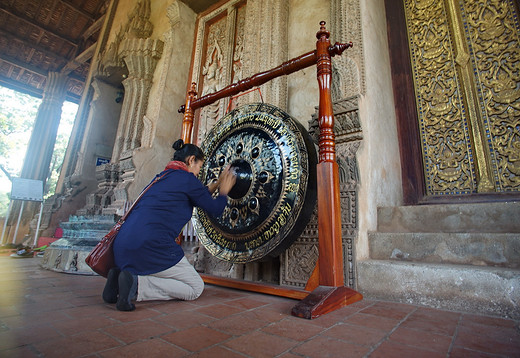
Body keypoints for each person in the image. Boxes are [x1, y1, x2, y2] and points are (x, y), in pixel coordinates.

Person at [102, 139, 236, 311]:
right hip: (150, 247)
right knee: (194, 287)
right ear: (191, 160)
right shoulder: (188, 179)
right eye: (198, 167)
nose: (197, 173)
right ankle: (136, 285)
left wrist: (217, 183)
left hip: (121, 247)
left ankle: (117, 278)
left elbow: (199, 194)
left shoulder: (160, 178)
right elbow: (216, 209)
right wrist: (224, 190)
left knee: (153, 270)